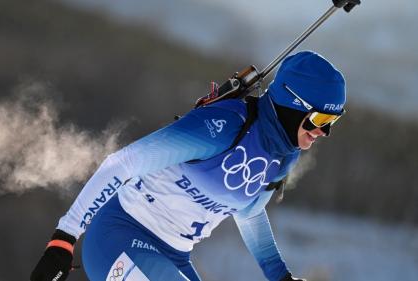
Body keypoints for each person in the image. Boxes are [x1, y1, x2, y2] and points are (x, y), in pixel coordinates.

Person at [30, 50, 346, 281]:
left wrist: (280, 277)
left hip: (174, 255)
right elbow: (122, 163)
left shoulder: (283, 155)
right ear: (293, 104)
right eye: (319, 119)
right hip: (120, 237)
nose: (324, 131)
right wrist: (64, 238)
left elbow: (248, 213)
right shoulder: (223, 125)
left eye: (334, 121)